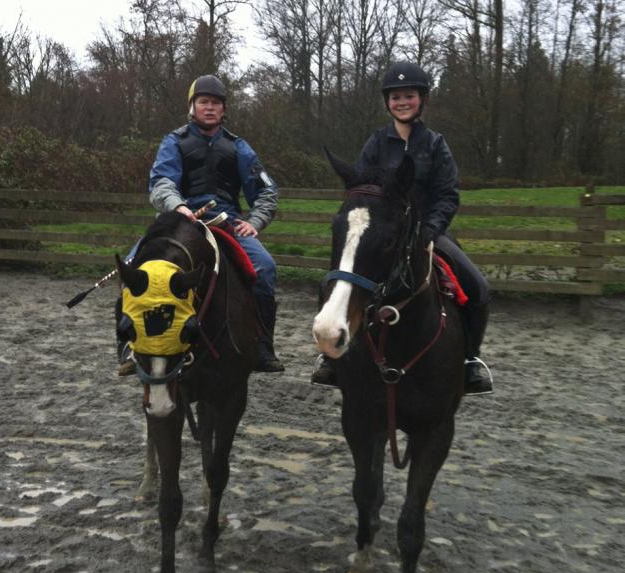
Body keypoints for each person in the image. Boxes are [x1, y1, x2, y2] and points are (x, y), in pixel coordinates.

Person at [311, 61, 493, 395]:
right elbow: (360, 188)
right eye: (395, 97)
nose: (402, 102)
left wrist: (431, 229)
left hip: (426, 233)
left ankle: (470, 359)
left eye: (409, 95)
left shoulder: (436, 145)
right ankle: (330, 359)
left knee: (477, 286)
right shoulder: (377, 143)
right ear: (387, 102)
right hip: (383, 232)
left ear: (421, 99)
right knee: (337, 276)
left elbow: (447, 194)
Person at [118, 74, 284, 374]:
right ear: (192, 106)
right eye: (203, 102)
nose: (210, 108)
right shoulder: (174, 141)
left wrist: (255, 221)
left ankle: (262, 345)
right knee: (131, 265)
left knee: (266, 267)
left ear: (224, 109)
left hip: (226, 223)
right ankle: (128, 345)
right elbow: (161, 182)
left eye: (216, 103)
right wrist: (178, 206)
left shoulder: (239, 148)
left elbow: (267, 190)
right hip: (177, 221)